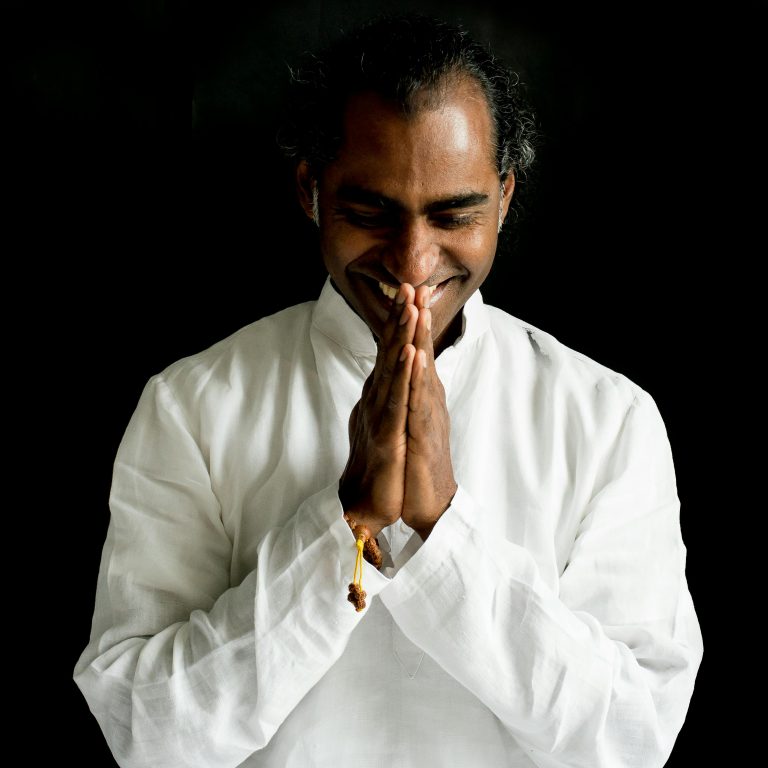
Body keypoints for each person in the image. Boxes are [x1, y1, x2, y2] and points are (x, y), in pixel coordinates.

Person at [74, 12, 702, 767]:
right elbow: (147, 734)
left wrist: (444, 531)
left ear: (504, 197)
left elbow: (631, 737)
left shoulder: (608, 422)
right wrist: (344, 525)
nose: (412, 260)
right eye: (371, 213)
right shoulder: (191, 409)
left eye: (454, 214)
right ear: (311, 189)